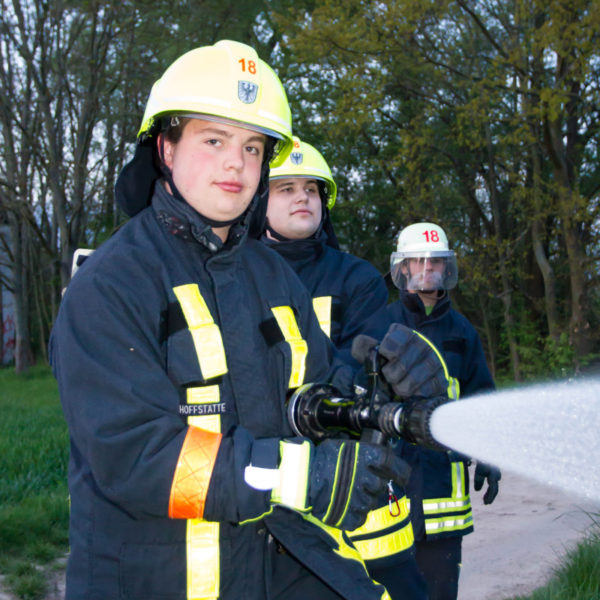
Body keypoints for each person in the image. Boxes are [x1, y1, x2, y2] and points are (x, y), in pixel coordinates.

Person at [49, 40, 445, 600]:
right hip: (155, 581)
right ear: (166, 147)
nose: (237, 163)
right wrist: (298, 477)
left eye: (254, 147)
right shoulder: (110, 284)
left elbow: (299, 401)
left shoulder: (272, 275)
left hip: (275, 562)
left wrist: (368, 390)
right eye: (214, 140)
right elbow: (137, 456)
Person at [263, 137, 429, 599]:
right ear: (258, 201)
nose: (303, 197)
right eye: (287, 188)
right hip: (273, 484)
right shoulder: (239, 275)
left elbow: (369, 358)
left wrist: (333, 389)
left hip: (357, 486)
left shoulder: (356, 277)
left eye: (312, 189)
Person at [386, 222, 502, 600]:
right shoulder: (381, 322)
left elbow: (481, 398)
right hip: (390, 494)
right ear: (402, 268)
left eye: (435, 261)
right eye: (418, 260)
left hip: (442, 503)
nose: (427, 268)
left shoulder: (462, 331)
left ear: (445, 268)